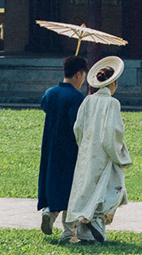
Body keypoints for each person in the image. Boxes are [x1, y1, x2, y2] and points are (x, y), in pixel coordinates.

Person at [66, 56, 131, 244]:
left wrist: (85, 146)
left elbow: (78, 128)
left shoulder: (88, 101)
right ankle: (96, 220)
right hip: (106, 153)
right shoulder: (112, 103)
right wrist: (118, 154)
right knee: (113, 189)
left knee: (88, 188)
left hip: (87, 151)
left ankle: (86, 228)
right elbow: (113, 132)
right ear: (114, 83)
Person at [37, 54, 88, 235]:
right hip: (69, 148)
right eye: (83, 75)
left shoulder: (50, 93)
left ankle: (49, 211)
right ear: (78, 75)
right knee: (71, 186)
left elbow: (44, 105)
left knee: (53, 180)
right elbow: (77, 125)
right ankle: (68, 231)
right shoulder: (76, 98)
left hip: (50, 145)